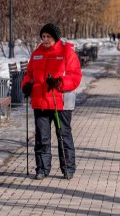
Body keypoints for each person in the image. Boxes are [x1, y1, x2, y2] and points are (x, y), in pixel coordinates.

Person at [21, 23, 82, 180]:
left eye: (48, 36)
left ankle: (68, 168)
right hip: (40, 102)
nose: (45, 39)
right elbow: (29, 74)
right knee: (42, 137)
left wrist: (59, 83)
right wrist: (26, 85)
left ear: (55, 37)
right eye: (43, 37)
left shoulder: (67, 52)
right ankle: (42, 168)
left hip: (60, 102)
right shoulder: (37, 54)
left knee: (63, 135)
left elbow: (75, 76)